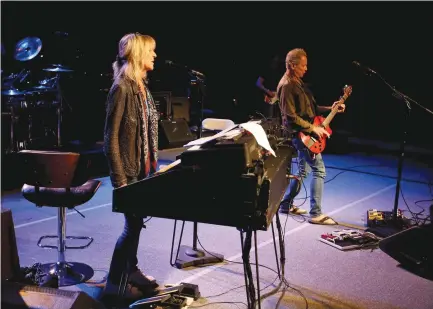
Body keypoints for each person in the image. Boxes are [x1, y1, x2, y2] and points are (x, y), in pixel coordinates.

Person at [103, 33, 159, 299]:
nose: (155, 55)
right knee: (131, 226)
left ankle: (131, 270)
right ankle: (115, 281)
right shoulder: (122, 87)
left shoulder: (140, 87)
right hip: (128, 172)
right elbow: (110, 137)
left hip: (142, 169)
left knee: (136, 224)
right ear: (138, 53)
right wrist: (120, 180)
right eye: (151, 51)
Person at [277, 48, 346, 225]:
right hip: (300, 136)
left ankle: (285, 204)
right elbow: (290, 117)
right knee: (319, 170)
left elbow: (311, 110)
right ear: (292, 65)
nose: (306, 69)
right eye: (303, 65)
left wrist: (331, 109)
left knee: (302, 171)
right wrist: (313, 128)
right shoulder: (286, 86)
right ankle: (316, 213)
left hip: (306, 133)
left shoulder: (297, 82)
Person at [255, 54, 285, 119]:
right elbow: (258, 83)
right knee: (269, 119)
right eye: (275, 60)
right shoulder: (266, 70)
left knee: (279, 118)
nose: (276, 62)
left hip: (279, 97)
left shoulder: (279, 71)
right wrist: (267, 92)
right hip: (269, 98)